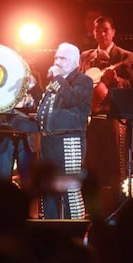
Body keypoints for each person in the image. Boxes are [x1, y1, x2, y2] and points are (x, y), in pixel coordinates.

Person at [79, 15, 133, 219]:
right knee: (90, 165)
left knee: (116, 166)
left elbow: (132, 87)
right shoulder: (86, 56)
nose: (102, 34)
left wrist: (117, 81)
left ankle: (119, 210)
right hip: (91, 118)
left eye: (106, 30)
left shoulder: (125, 56)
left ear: (113, 32)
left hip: (114, 118)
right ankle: (91, 210)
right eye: (98, 30)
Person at [28, 42, 93, 219]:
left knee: (70, 188)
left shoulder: (83, 80)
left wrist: (57, 78)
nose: (57, 61)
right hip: (49, 141)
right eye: (56, 57)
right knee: (47, 186)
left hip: (68, 141)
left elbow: (71, 99)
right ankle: (50, 229)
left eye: (62, 58)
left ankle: (77, 229)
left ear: (74, 62)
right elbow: (50, 107)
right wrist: (34, 88)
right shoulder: (56, 83)